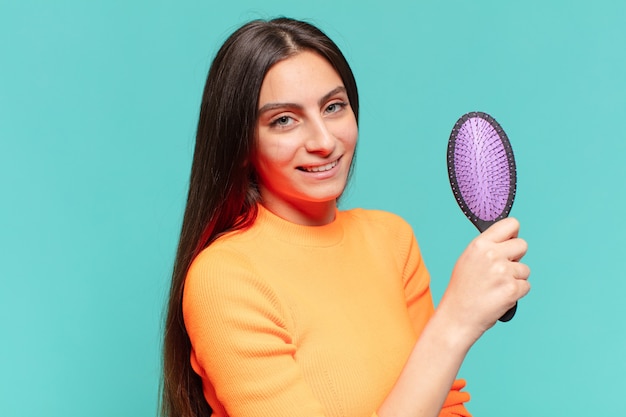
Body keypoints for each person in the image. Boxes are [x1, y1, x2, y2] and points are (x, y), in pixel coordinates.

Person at [161, 17, 530, 417]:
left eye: (333, 107)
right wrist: (454, 322)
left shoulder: (392, 240)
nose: (323, 141)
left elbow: (447, 408)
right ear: (242, 143)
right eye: (284, 119)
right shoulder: (224, 278)